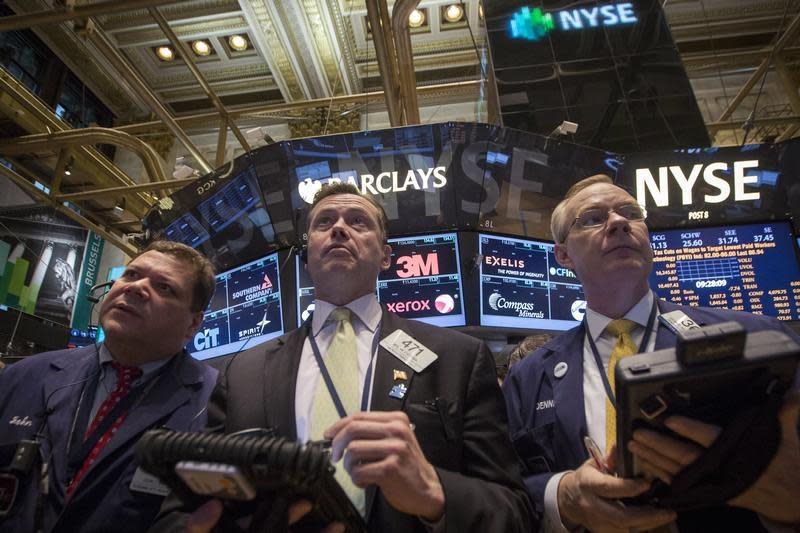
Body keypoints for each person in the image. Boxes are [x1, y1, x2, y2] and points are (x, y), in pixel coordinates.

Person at [153, 182, 535, 532]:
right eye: (324, 222)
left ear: (386, 257)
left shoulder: (457, 359)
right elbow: (181, 507)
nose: (339, 229)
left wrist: (436, 494)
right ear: (306, 258)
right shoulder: (243, 372)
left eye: (358, 221)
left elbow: (515, 511)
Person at [503, 174, 800, 532]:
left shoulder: (758, 338)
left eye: (630, 212)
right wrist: (562, 494)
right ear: (564, 254)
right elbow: (507, 489)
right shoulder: (530, 375)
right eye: (593, 218)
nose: (618, 222)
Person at [0, 240, 219, 533]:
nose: (135, 287)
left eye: (164, 287)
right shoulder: (25, 376)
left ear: (193, 324)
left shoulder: (216, 404)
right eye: (131, 274)